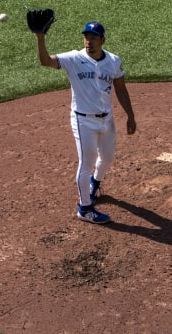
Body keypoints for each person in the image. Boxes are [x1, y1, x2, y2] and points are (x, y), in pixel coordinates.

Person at [34, 21, 136, 224]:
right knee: (86, 163)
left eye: (94, 37)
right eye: (86, 37)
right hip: (83, 121)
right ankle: (85, 208)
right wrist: (40, 38)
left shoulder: (114, 61)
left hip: (107, 120)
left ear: (102, 40)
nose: (89, 41)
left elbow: (121, 88)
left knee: (107, 158)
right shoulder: (73, 58)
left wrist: (130, 115)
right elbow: (46, 61)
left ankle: (95, 184)